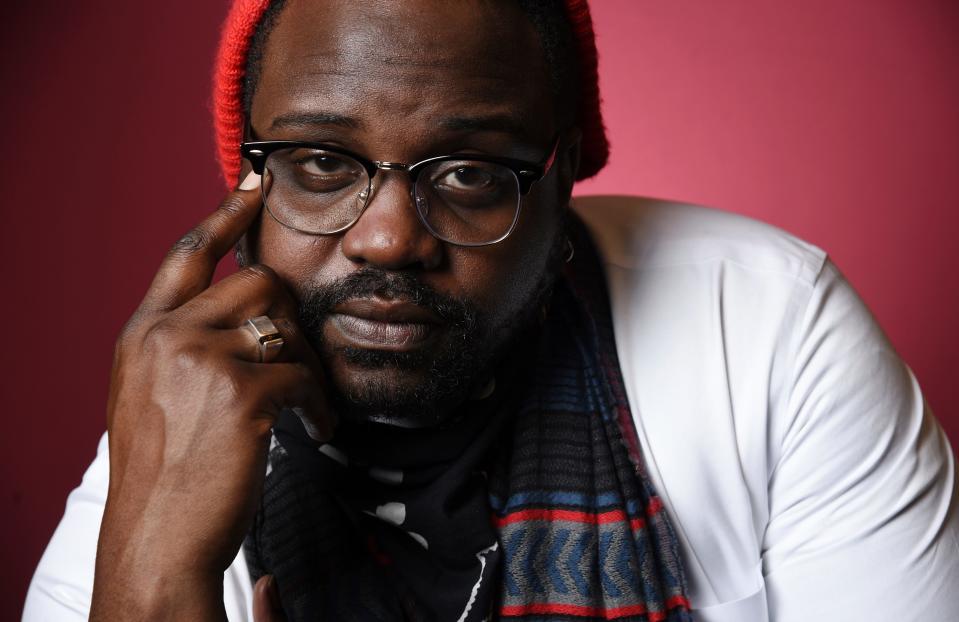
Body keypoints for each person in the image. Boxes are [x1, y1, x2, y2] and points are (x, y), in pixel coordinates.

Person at [23, 1, 959, 620]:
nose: (388, 239)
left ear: (565, 181)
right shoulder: (184, 420)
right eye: (319, 162)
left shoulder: (764, 327)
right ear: (246, 186)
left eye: (470, 172)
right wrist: (153, 583)